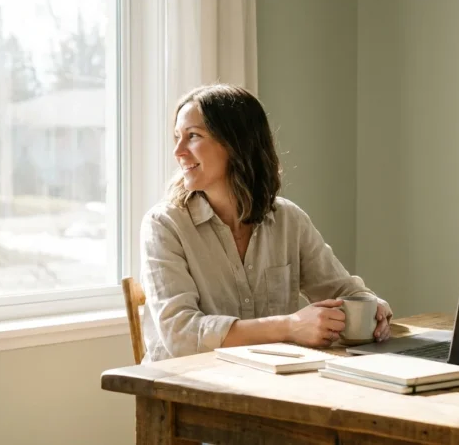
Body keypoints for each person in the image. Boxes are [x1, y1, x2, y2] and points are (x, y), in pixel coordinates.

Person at [139, 83, 393, 362]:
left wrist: (373, 306)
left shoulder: (288, 220)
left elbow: (343, 291)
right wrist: (290, 327)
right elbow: (181, 335)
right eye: (177, 137)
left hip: (272, 386)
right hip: (190, 390)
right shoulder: (164, 226)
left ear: (236, 144)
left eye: (193, 136)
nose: (178, 151)